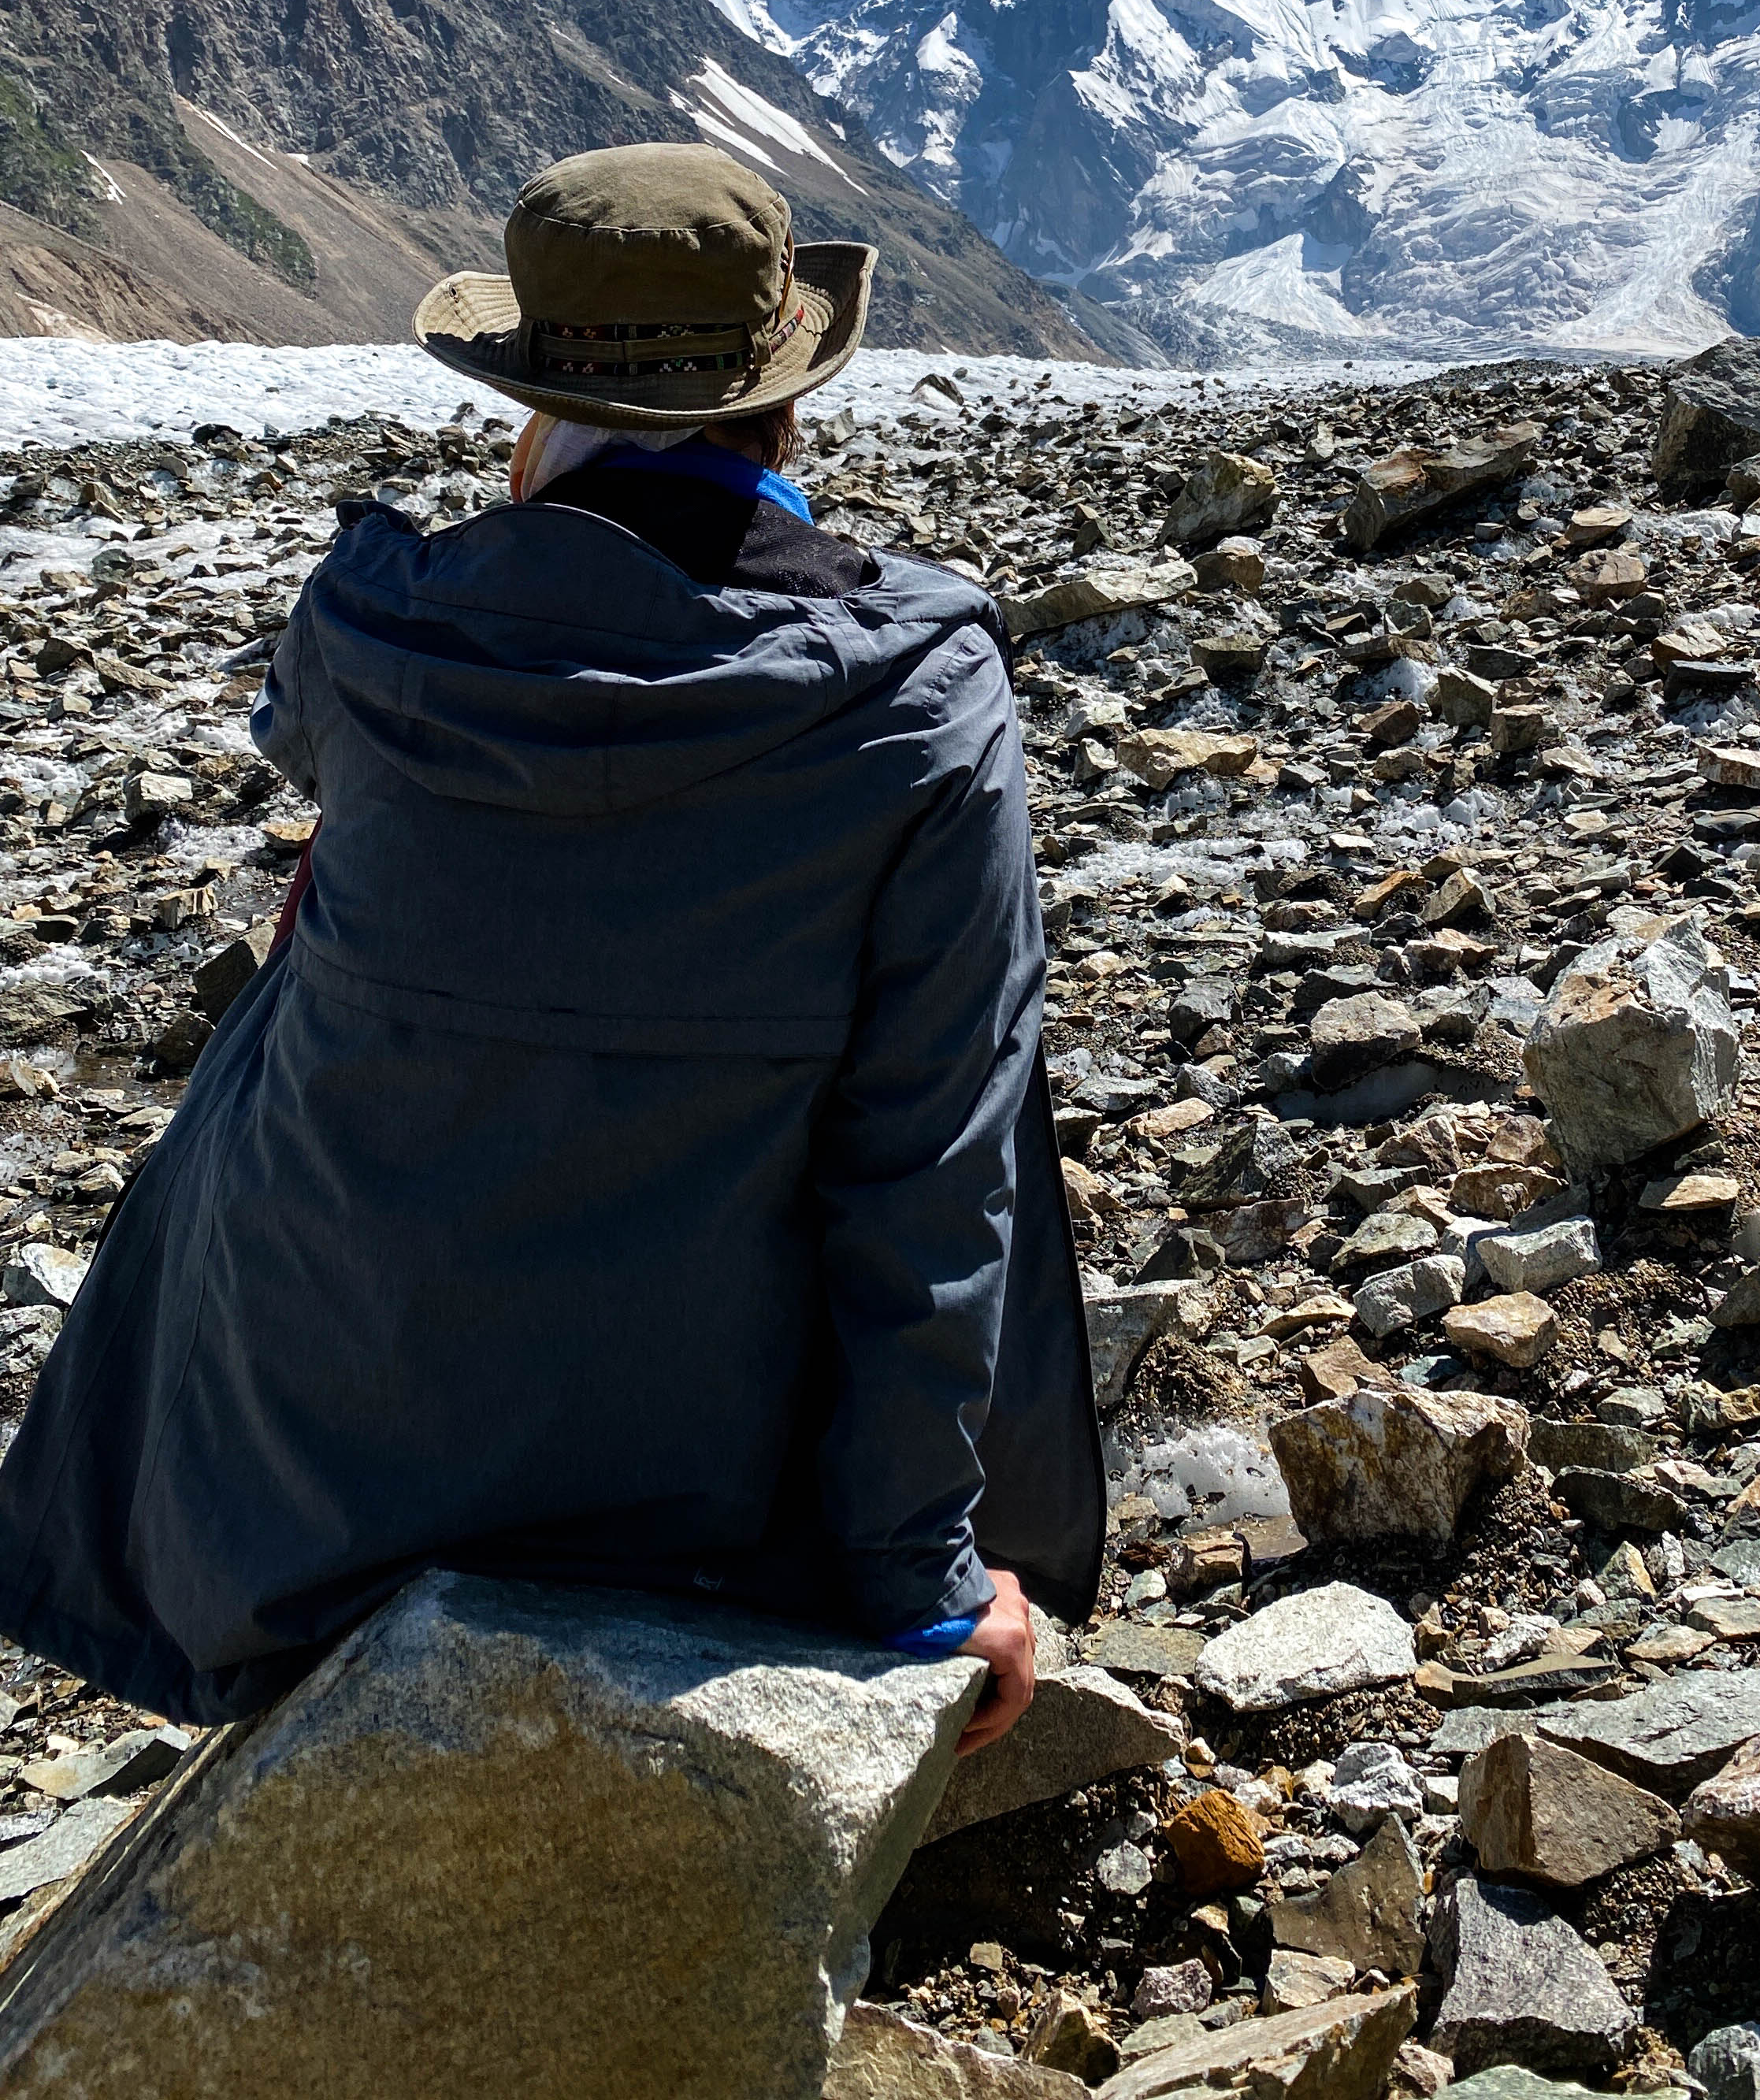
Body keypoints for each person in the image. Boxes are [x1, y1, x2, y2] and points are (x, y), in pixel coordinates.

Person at [0, 146, 1103, 1749]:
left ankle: (153, 1562)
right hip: (717, 1531)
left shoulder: (376, 627)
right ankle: (884, 1541)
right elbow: (930, 1163)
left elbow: (297, 741)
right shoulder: (918, 697)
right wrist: (916, 1573)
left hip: (304, 1511)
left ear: (528, 400)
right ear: (782, 409)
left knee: (299, 969)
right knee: (963, 1074)